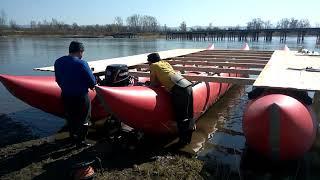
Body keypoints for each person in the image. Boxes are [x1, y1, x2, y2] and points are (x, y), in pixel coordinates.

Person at [147, 53, 195, 145]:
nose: (148, 63)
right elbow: (168, 76)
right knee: (189, 115)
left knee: (181, 117)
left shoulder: (153, 65)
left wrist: (147, 86)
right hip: (187, 85)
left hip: (179, 90)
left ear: (150, 61)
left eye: (148, 61)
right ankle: (188, 140)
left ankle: (182, 141)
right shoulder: (165, 63)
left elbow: (153, 83)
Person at [54, 41, 96, 146]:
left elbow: (58, 79)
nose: (82, 55)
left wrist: (66, 87)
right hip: (81, 96)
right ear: (80, 51)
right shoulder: (82, 63)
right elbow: (92, 81)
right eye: (82, 52)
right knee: (85, 118)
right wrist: (92, 85)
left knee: (71, 117)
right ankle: (81, 141)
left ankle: (72, 137)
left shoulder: (58, 62)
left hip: (66, 95)